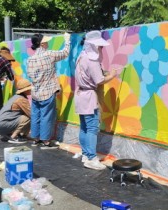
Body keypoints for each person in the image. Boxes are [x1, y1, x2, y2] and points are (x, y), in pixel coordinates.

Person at [74, 30, 117, 170]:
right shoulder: (92, 59)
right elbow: (99, 80)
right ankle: (91, 158)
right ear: (94, 46)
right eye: (100, 46)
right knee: (92, 127)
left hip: (81, 94)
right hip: (89, 97)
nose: (102, 49)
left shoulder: (82, 56)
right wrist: (113, 75)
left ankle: (86, 154)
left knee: (85, 127)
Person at [27, 33, 70, 149]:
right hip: (48, 91)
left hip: (35, 92)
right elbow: (65, 53)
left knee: (36, 115)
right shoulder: (49, 55)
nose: (48, 43)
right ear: (41, 43)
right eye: (46, 41)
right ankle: (46, 141)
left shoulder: (30, 60)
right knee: (46, 116)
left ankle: (35, 139)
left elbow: (30, 76)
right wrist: (67, 40)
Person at [0, 78, 31, 144]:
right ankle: (13, 137)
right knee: (28, 118)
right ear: (24, 90)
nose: (30, 89)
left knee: (26, 117)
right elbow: (31, 114)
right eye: (29, 88)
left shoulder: (16, 97)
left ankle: (22, 136)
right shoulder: (21, 99)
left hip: (2, 125)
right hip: (4, 124)